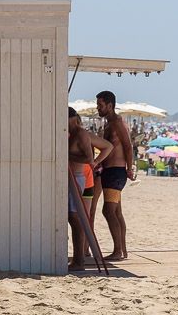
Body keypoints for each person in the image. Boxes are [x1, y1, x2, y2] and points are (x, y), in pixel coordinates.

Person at [67, 108, 112, 269]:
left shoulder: (80, 134)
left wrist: (65, 154)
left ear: (72, 118)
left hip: (79, 178)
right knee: (73, 218)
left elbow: (88, 157)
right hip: (72, 177)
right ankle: (78, 257)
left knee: (76, 218)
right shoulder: (71, 133)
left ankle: (79, 259)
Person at [96, 90, 136, 261]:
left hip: (116, 172)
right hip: (110, 172)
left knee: (108, 210)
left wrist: (129, 168)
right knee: (117, 212)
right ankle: (123, 250)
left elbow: (128, 146)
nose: (98, 108)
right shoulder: (108, 123)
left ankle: (118, 251)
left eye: (101, 105)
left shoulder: (117, 123)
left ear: (110, 105)